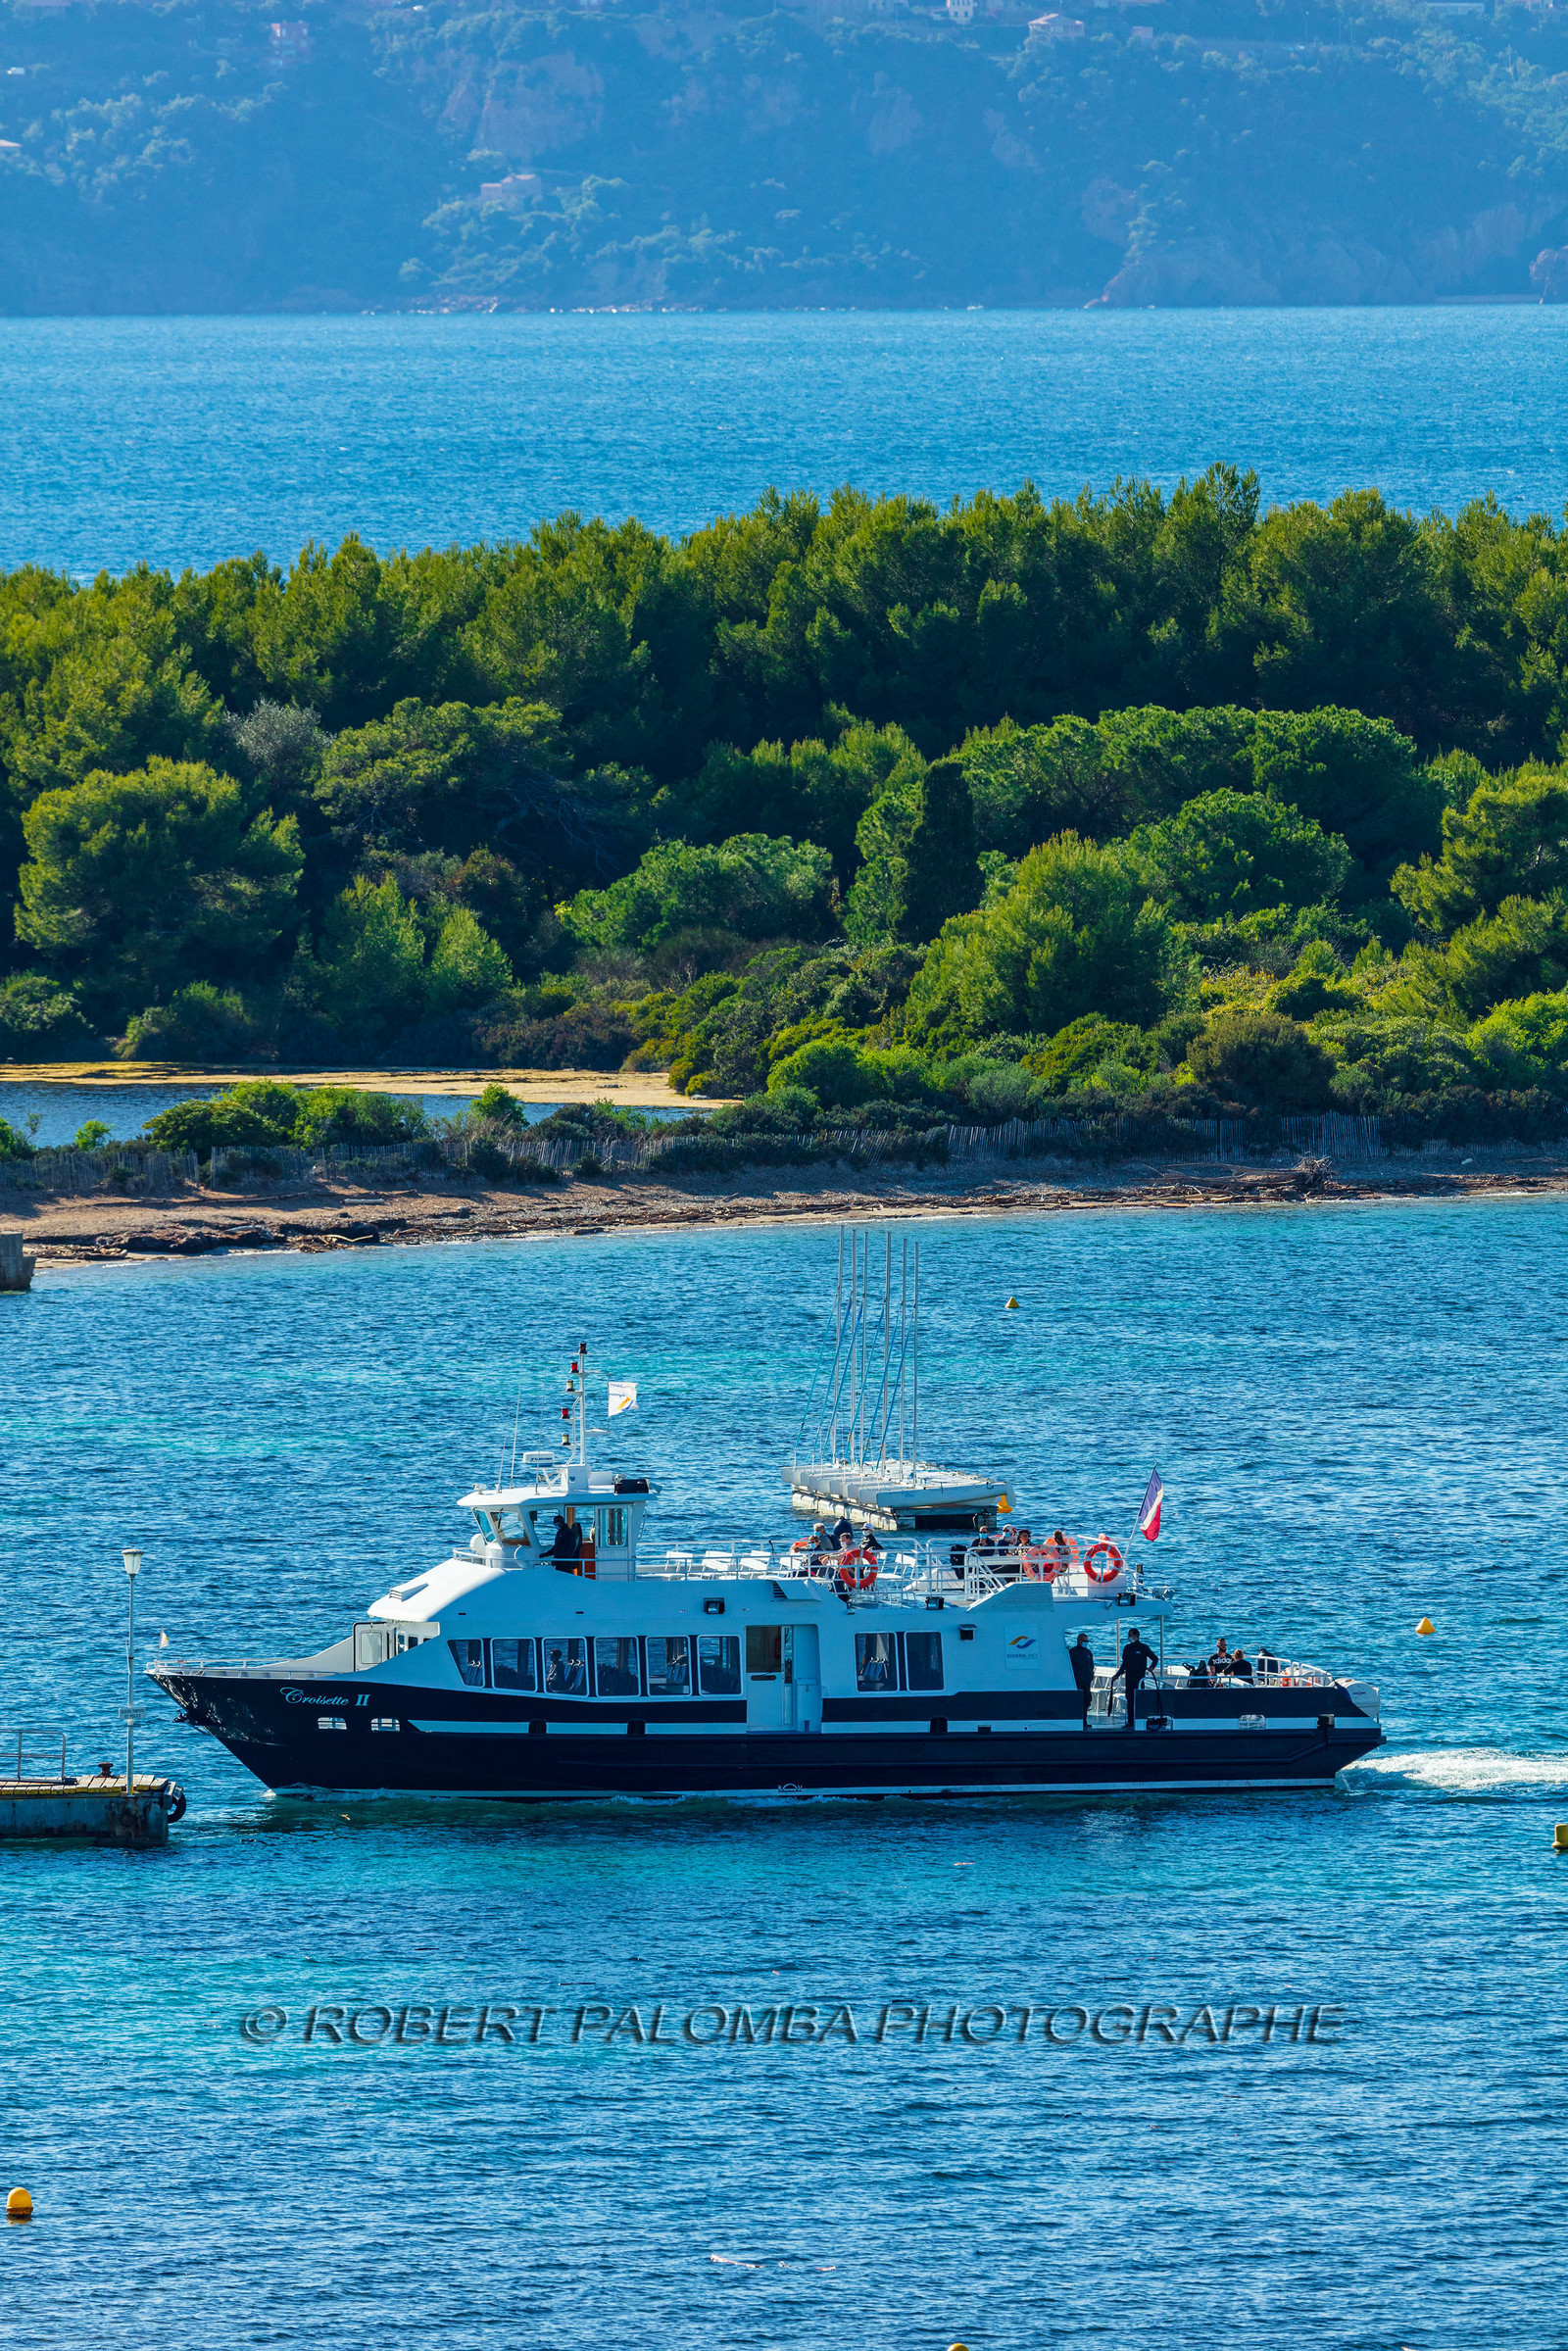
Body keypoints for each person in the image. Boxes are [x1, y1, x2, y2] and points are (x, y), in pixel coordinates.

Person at [1110, 1627, 1159, 1731]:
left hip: (1139, 1678)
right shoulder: (1127, 1648)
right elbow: (1124, 1664)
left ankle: (1140, 1720)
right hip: (1129, 1677)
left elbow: (1155, 1658)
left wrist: (1151, 1667)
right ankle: (1130, 1721)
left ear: (1136, 1636)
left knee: (1139, 1699)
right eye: (1128, 1635)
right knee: (1129, 1698)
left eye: (1130, 1635)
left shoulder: (1143, 1647)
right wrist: (1118, 1674)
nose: (1129, 1637)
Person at [1069, 1633, 1096, 1730]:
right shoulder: (1072, 1652)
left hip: (1086, 1681)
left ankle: (1084, 1721)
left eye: (1087, 1641)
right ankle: (1077, 1721)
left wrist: (1090, 1675)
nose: (1085, 1643)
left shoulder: (1088, 1652)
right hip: (1077, 1682)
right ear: (1078, 1640)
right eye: (1084, 1641)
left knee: (1086, 1701)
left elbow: (1091, 1665)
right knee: (1077, 1702)